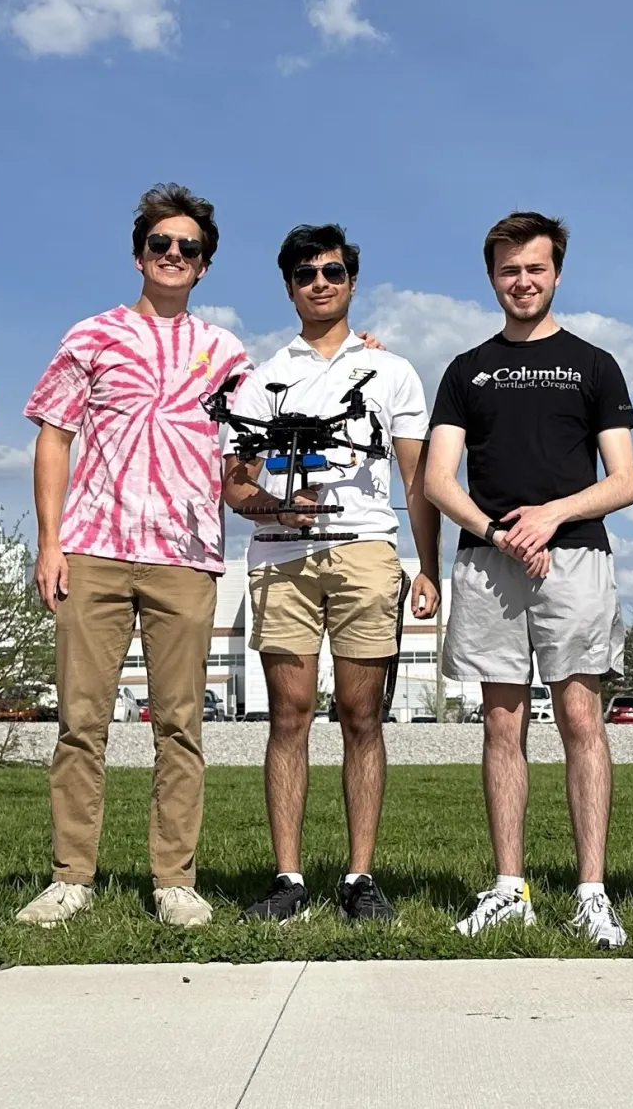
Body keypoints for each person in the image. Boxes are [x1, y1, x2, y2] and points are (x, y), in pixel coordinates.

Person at [15, 184, 250, 929]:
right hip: (95, 547)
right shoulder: (91, 335)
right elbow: (53, 432)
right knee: (81, 721)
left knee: (180, 723)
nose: (174, 257)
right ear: (139, 254)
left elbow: (249, 446)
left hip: (186, 554)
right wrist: (49, 541)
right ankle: (71, 876)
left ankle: (174, 878)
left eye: (189, 248)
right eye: (161, 245)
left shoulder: (226, 352)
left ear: (205, 265)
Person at [423, 211, 633, 949]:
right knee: (501, 721)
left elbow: (624, 481)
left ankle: (591, 891)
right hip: (489, 562)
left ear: (556, 273)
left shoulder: (593, 364)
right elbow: (436, 478)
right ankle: (508, 886)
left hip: (575, 559)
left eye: (535, 268)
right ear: (493, 278)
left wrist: (549, 516)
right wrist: (500, 533)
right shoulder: (466, 369)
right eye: (510, 270)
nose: (523, 281)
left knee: (582, 718)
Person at [221, 224, 441, 925]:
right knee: (287, 714)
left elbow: (417, 479)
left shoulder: (391, 370)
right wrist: (275, 508)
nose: (321, 282)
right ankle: (288, 877)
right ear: (289, 286)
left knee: (360, 714)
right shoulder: (260, 379)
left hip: (365, 551)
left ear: (352, 280)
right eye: (307, 273)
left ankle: (359, 875)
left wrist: (427, 565)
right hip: (280, 556)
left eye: (334, 271)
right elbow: (234, 483)